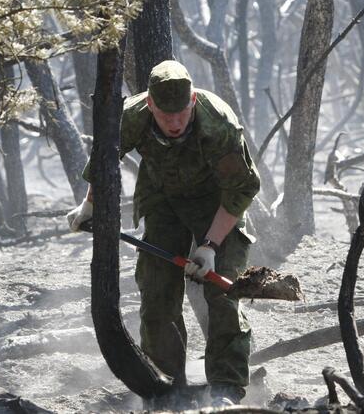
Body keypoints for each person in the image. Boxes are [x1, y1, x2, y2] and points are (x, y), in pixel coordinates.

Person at [66, 60, 260, 406]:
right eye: (165, 115)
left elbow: (240, 191)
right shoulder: (131, 116)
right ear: (150, 104)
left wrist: (210, 245)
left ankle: (227, 387)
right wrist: (90, 205)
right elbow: (105, 160)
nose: (174, 123)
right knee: (156, 292)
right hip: (162, 198)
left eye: (181, 114)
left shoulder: (219, 125)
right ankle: (167, 387)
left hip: (217, 202)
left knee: (223, 292)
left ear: (194, 102)